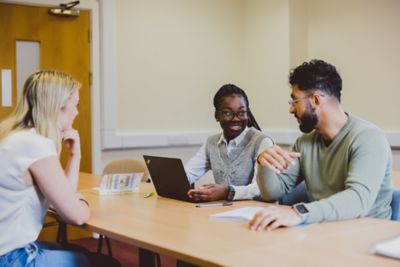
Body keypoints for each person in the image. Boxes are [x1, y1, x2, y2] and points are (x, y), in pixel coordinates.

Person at [250, 59, 393, 231]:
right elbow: (273, 193)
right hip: (325, 232)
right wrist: (263, 164)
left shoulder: (368, 138)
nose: (291, 110)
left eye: (294, 101)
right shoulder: (304, 143)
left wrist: (299, 213)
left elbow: (357, 200)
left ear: (316, 99)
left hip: (367, 237)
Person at [0, 70, 120, 266]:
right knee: (108, 264)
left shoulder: (14, 137)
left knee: (79, 251)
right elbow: (77, 216)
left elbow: (63, 196)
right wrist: (81, 203)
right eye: (76, 105)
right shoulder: (35, 145)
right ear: (58, 108)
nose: (77, 112)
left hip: (7, 250)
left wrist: (75, 155)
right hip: (12, 258)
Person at [185, 84, 274, 202]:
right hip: (222, 212)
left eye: (242, 113)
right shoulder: (212, 142)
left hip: (254, 214)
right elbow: (188, 173)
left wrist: (228, 192)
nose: (236, 118)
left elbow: (262, 190)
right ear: (216, 115)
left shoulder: (262, 141)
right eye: (228, 113)